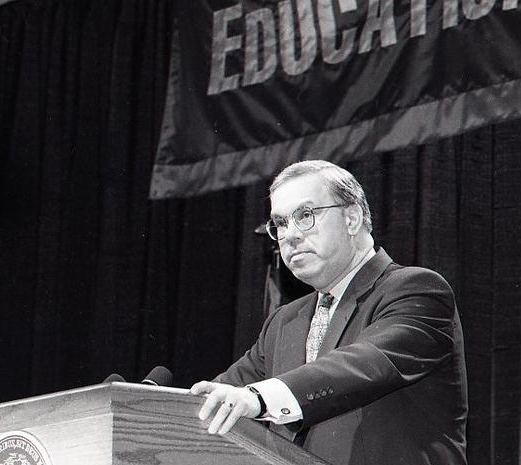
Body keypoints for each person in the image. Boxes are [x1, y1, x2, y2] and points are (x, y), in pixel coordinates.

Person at [190, 160, 468, 465]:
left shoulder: (416, 290)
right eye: (281, 223)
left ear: (352, 218)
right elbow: (225, 393)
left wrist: (257, 398)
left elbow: (363, 365)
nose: (290, 236)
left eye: (305, 215)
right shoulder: (284, 321)